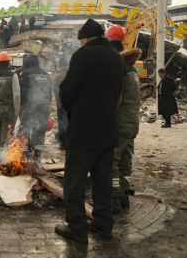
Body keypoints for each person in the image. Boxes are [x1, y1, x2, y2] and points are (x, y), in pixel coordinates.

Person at [55, 18, 125, 244]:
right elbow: (118, 94)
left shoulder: (82, 55)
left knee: (73, 182)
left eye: (82, 40)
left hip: (84, 131)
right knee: (102, 181)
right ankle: (103, 225)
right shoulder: (116, 58)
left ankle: (77, 228)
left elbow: (67, 91)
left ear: (85, 38)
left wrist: (70, 107)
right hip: (108, 130)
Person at [106, 24, 142, 213]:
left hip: (119, 123)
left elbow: (115, 99)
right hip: (132, 122)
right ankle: (125, 192)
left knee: (111, 159)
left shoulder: (117, 66)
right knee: (125, 159)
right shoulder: (131, 68)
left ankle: (113, 197)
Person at [18, 53, 52, 166]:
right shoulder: (46, 74)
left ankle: (25, 153)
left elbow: (23, 92)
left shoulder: (26, 73)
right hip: (44, 106)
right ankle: (37, 156)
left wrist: (21, 107)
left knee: (25, 128)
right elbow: (50, 93)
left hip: (30, 106)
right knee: (40, 131)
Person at [52, 64, 69, 149]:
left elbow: (55, 91)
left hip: (61, 104)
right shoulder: (71, 75)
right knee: (69, 122)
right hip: (71, 104)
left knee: (62, 123)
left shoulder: (57, 77)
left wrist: (58, 102)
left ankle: (63, 143)